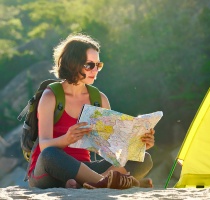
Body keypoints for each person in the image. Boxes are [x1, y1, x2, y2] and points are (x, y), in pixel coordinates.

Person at [27, 33, 155, 189]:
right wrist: (67, 139)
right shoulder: (50, 97)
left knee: (144, 158)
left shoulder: (99, 99)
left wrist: (137, 145)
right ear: (73, 64)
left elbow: (111, 149)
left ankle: (93, 182)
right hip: (49, 169)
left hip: (85, 168)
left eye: (98, 65)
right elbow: (45, 146)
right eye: (89, 65)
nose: (95, 70)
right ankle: (106, 181)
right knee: (50, 155)